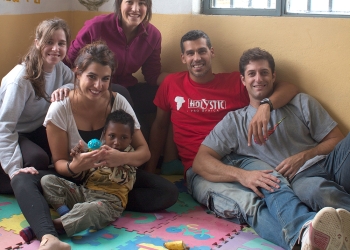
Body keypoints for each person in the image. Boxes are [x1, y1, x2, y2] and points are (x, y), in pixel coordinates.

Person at [13, 41, 177, 250]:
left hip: (112, 178)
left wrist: (121, 158)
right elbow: (59, 162)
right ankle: (48, 236)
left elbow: (144, 152)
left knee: (167, 192)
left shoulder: (118, 102)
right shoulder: (60, 108)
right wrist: (76, 166)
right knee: (22, 181)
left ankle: (102, 207)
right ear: (78, 73)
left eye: (105, 79)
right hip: (75, 177)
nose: (98, 85)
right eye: (92, 76)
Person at [192, 47, 350, 249]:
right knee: (316, 192)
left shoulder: (300, 102)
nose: (258, 78)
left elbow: (337, 139)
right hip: (301, 179)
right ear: (243, 80)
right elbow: (201, 160)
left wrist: (304, 155)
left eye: (264, 72)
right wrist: (242, 175)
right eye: (252, 74)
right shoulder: (234, 121)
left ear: (273, 76)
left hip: (330, 162)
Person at [145, 29, 299, 175]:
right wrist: (150, 172)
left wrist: (266, 106)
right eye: (190, 53)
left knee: (273, 187)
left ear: (211, 52)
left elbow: (289, 88)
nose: (197, 58)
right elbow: (160, 126)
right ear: (183, 58)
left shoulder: (234, 82)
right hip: (202, 167)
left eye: (202, 51)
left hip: (242, 158)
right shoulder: (171, 83)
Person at [65, 0, 168, 139]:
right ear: (119, 4)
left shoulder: (153, 35)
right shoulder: (96, 26)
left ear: (148, 7)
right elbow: (69, 63)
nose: (135, 8)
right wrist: (68, 86)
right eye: (129, 2)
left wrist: (182, 81)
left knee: (164, 94)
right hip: (95, 88)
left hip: (128, 89)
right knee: (137, 126)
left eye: (142, 3)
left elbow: (152, 74)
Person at [37, 109, 137, 238]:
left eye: (123, 137)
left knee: (90, 210)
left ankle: (54, 226)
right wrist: (78, 161)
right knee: (47, 180)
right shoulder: (96, 151)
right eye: (112, 136)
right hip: (84, 193)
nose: (117, 142)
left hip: (108, 203)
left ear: (131, 139)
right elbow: (83, 176)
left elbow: (124, 180)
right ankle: (64, 213)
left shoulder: (130, 157)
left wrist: (113, 161)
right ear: (105, 134)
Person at [0, 18, 74, 194]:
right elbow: (5, 127)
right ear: (37, 43)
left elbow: (73, 82)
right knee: (38, 159)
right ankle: (14, 181)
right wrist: (14, 168)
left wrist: (66, 88)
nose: (55, 48)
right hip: (14, 133)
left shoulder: (59, 68)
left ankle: (37, 179)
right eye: (49, 42)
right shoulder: (20, 80)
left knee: (65, 152)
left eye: (61, 43)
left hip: (35, 129)